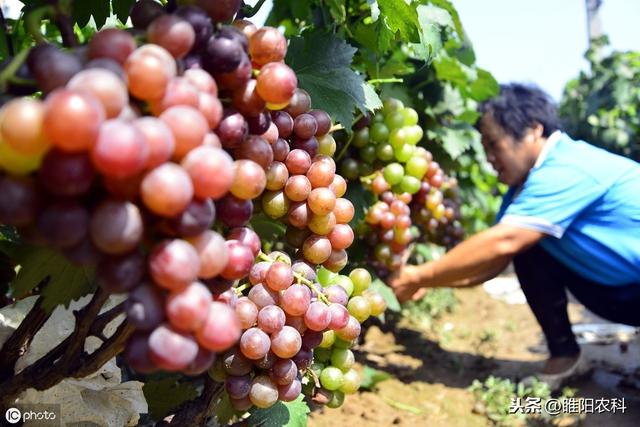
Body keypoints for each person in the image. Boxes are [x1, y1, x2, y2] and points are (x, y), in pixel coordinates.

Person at [388, 83, 640, 388]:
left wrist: (417, 275)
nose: (490, 158)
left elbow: (503, 241)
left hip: (629, 291)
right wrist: (426, 279)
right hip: (621, 292)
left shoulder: (569, 166)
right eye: (485, 150)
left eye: (494, 145)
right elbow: (493, 262)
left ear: (534, 130)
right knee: (528, 249)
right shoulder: (523, 191)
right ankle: (565, 356)